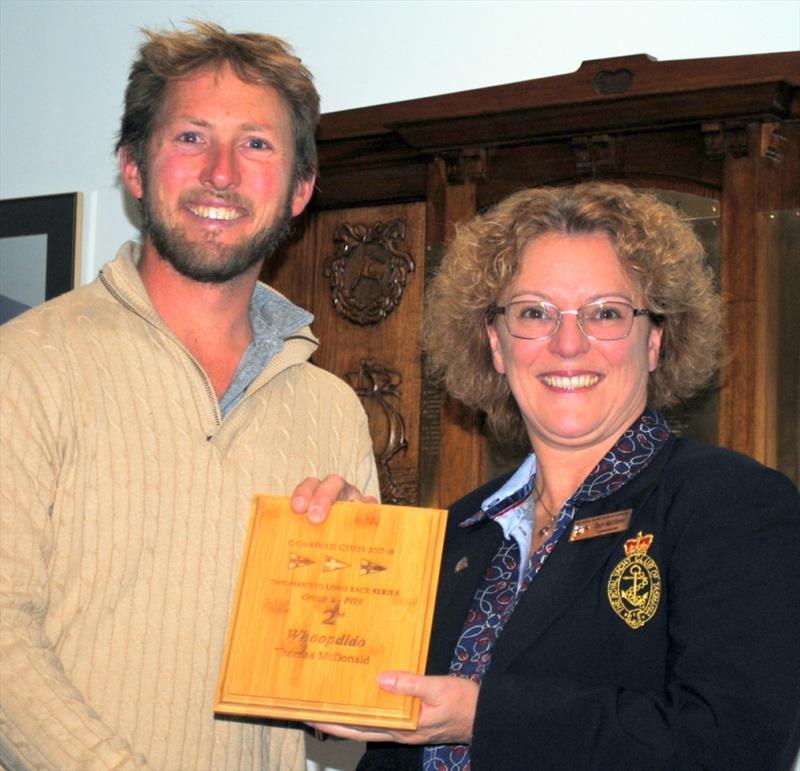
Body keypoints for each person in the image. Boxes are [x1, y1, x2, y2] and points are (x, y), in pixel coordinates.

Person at [309, 183, 800, 769]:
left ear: (655, 341)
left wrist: (482, 717)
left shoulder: (730, 504)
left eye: (607, 313)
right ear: (495, 343)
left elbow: (736, 745)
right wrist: (345, 575)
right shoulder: (459, 531)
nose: (569, 344)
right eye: (535, 313)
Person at [0, 21, 378, 771]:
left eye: (258, 145)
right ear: (134, 168)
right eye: (192, 138)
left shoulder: (334, 408)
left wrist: (352, 624)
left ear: (300, 189)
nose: (222, 173)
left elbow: (343, 736)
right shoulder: (26, 364)